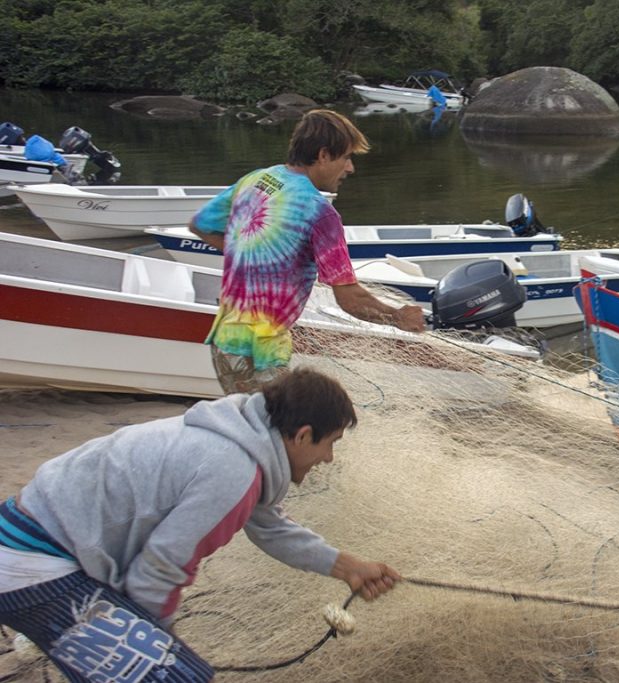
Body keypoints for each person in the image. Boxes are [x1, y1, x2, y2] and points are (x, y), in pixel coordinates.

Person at [0, 367, 399, 682]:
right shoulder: (233, 469)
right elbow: (161, 566)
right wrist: (160, 642)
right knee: (176, 677)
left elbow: (271, 527)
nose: (328, 458)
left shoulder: (242, 439)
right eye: (330, 443)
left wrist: (347, 567)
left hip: (31, 537)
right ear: (302, 435)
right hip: (31, 563)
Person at [189, 109, 425, 394]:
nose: (350, 168)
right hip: (264, 355)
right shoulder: (320, 212)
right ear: (323, 155)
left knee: (247, 419)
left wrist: (248, 255)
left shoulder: (257, 179)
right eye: (346, 157)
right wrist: (397, 317)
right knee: (282, 422)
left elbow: (200, 225)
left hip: (224, 344)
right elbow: (349, 299)